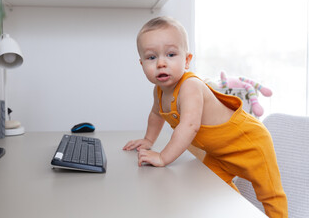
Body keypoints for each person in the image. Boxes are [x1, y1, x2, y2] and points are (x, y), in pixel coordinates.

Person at [122, 16, 288, 218]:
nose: (161, 63)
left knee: (269, 193)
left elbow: (189, 126)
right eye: (151, 57)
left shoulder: (190, 86)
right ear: (141, 64)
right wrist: (148, 140)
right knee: (208, 188)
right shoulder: (159, 91)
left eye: (171, 54)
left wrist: (163, 156)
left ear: (187, 60)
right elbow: (156, 115)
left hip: (250, 143)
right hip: (219, 152)